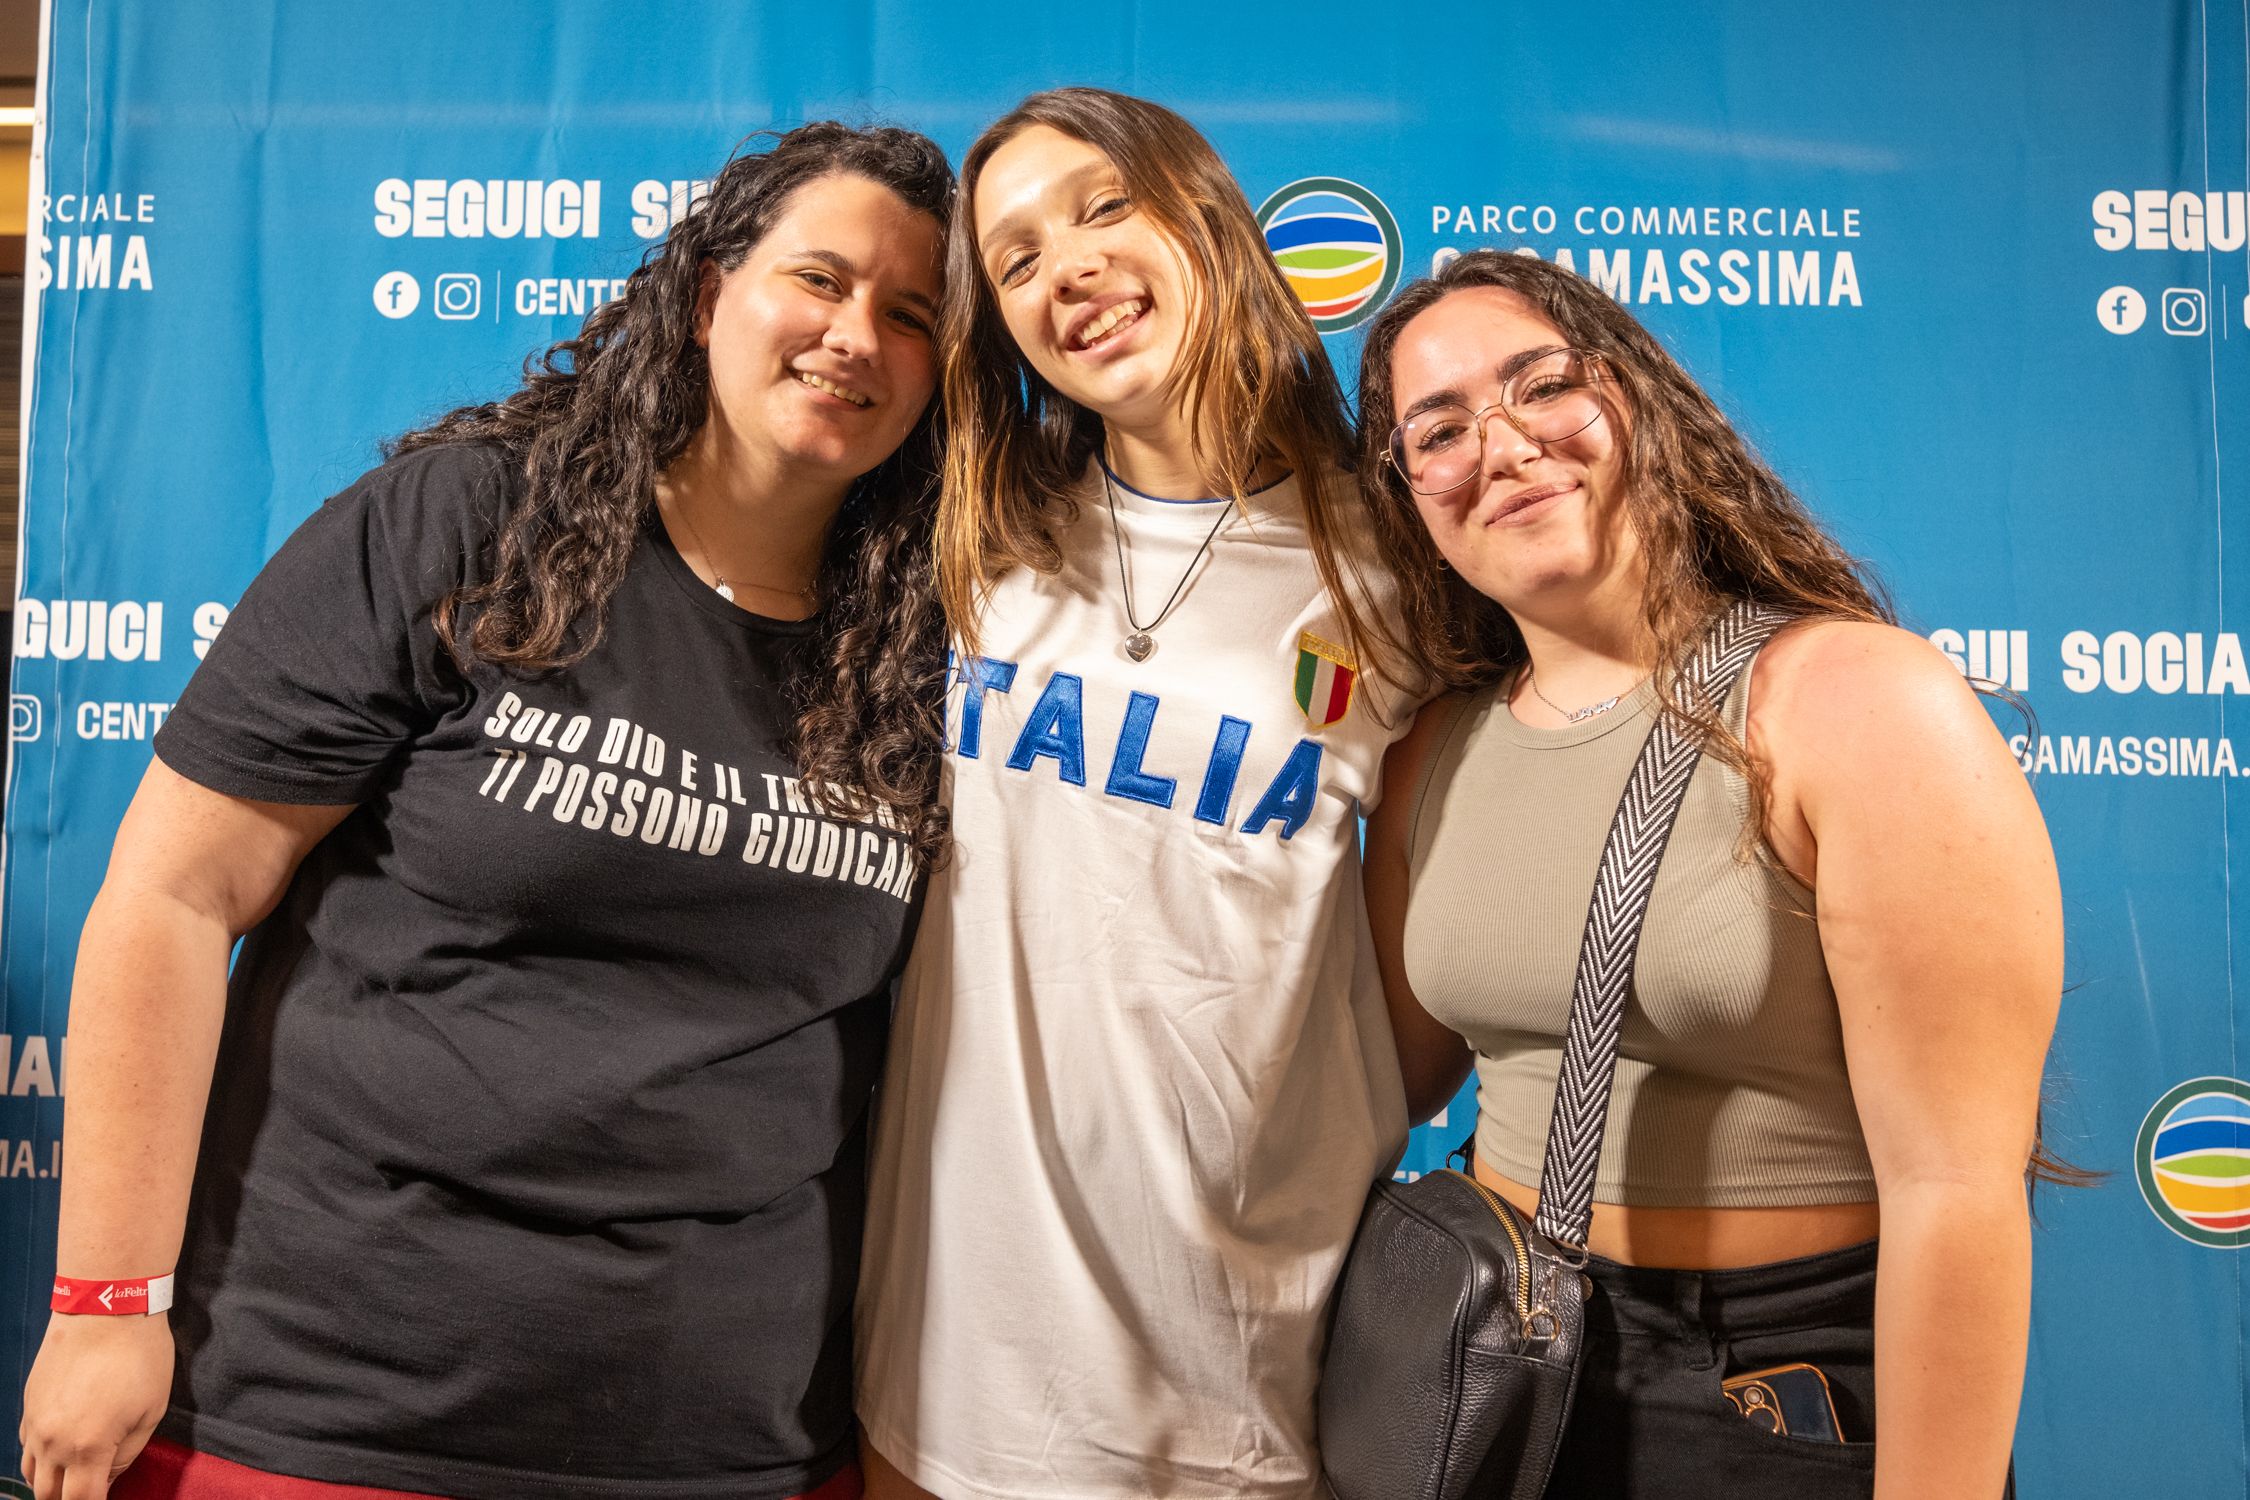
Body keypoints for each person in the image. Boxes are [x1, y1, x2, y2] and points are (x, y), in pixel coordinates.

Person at [17, 122, 953, 1500]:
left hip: (729, 1447)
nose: (855, 335)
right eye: (819, 278)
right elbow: (173, 895)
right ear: (709, 295)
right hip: (326, 1416)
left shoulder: (934, 653)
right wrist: (106, 1303)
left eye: (912, 314)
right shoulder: (470, 527)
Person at [1357, 248, 2061, 1498]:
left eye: (1542, 386)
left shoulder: (1852, 700)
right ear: (1408, 493)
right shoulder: (1432, 747)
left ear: (1637, 401)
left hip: (1775, 1386)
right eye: (1441, 430)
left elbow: (1956, 1191)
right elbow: (1382, 1080)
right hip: (1500, 1371)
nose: (1504, 446)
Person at [853, 88, 1414, 1500]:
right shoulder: (973, 539)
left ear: (1205, 217)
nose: (1070, 268)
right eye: (1017, 259)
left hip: (1241, 1378)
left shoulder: (1398, 568)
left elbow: (1425, 992)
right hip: (947, 1370)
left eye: (1104, 208)